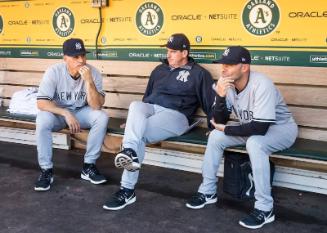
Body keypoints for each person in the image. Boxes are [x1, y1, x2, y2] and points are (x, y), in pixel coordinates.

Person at [186, 46, 298, 229]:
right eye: (223, 64)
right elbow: (216, 121)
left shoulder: (262, 84)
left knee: (255, 144)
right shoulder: (225, 85)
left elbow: (260, 128)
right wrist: (221, 97)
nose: (223, 69)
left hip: (281, 129)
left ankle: (265, 208)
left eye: (229, 65)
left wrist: (228, 130)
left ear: (244, 67)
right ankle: (207, 192)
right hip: (251, 128)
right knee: (215, 136)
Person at [103, 33, 216, 211]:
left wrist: (213, 126)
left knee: (137, 135)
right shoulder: (159, 70)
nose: (168, 54)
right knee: (135, 106)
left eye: (173, 51)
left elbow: (210, 102)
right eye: (167, 51)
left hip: (177, 116)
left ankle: (127, 189)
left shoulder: (198, 73)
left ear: (184, 53)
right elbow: (146, 100)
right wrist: (134, 121)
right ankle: (130, 151)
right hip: (152, 110)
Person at [34, 38, 109, 191]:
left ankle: (89, 166)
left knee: (101, 117)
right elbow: (41, 103)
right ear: (65, 58)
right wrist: (65, 113)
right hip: (59, 113)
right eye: (76, 57)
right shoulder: (54, 71)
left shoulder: (93, 73)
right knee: (42, 119)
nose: (81, 60)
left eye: (83, 55)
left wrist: (89, 82)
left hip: (81, 113)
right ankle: (46, 170)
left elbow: (96, 105)